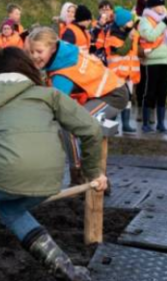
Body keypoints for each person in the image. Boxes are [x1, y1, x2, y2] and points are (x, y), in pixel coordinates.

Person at [0, 47, 107, 281]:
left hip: (6, 171)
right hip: (52, 176)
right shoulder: (48, 95)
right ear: (26, 69)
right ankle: (68, 271)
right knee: (10, 210)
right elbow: (92, 130)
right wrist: (93, 173)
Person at [26, 27, 128, 180]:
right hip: (101, 92)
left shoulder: (63, 74)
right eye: (30, 52)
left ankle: (80, 174)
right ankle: (86, 173)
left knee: (72, 126)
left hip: (113, 95)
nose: (34, 56)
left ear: (53, 48)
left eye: (39, 52)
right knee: (72, 124)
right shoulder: (65, 50)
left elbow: (55, 106)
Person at [137, 0, 167, 134]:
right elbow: (150, 36)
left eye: (163, 5)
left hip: (166, 59)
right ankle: (146, 123)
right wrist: (164, 23)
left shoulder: (163, 19)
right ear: (152, 5)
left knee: (163, 92)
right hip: (153, 60)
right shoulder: (145, 20)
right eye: (160, 5)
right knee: (150, 91)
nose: (162, 8)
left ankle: (161, 124)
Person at [105, 6, 140, 134]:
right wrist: (130, 39)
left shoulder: (129, 33)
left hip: (129, 74)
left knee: (128, 99)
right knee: (116, 100)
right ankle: (111, 124)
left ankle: (126, 124)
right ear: (122, 23)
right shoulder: (113, 37)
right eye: (129, 21)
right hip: (117, 74)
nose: (132, 23)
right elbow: (122, 51)